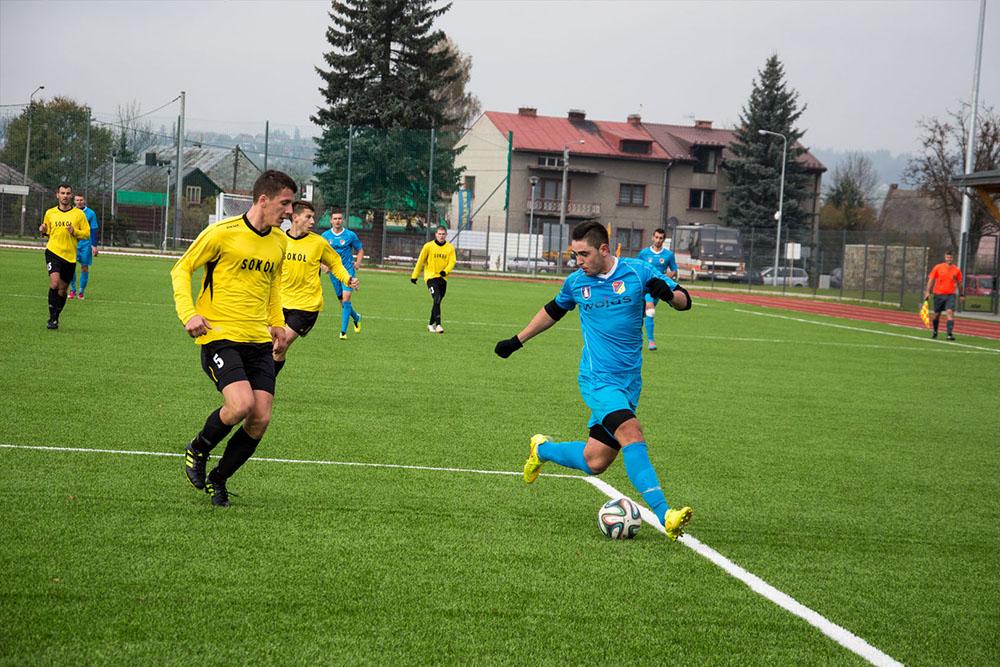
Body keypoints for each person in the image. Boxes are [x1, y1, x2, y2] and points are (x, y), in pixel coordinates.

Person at [494, 220, 694, 540]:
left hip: (629, 382)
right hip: (597, 379)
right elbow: (552, 311)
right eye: (574, 255)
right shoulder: (576, 283)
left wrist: (668, 295)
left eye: (583, 254)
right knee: (631, 431)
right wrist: (517, 341)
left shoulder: (638, 271)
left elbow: (685, 301)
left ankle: (542, 450)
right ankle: (665, 514)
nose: (578, 261)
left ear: (603, 249)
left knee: (595, 461)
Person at [170, 170, 297, 507]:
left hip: (258, 341)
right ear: (263, 200)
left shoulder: (279, 242)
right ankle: (198, 448)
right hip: (219, 336)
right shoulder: (221, 234)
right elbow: (181, 269)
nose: (289, 211)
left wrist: (277, 324)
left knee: (260, 418)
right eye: (285, 203)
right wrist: (189, 314)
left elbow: (273, 287)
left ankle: (219, 479)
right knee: (240, 405)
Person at [276, 201, 358, 372]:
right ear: (295, 217)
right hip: (278, 304)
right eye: (308, 217)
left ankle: (262, 389)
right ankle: (263, 387)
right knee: (273, 350)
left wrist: (347, 279)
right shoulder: (278, 239)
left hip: (306, 306)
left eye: (313, 217)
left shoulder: (318, 243)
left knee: (278, 345)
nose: (313, 221)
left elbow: (335, 263)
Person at [39, 183, 90, 329]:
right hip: (53, 252)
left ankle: (56, 317)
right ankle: (52, 319)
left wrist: (75, 232)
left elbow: (86, 234)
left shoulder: (79, 215)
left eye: (68, 193)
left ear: (71, 196)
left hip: (69, 256)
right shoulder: (50, 213)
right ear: (57, 195)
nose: (65, 196)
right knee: (54, 283)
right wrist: (42, 230)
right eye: (62, 193)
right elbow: (47, 232)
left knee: (62, 290)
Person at [321, 209, 364, 340]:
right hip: (334, 273)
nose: (337, 221)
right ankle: (356, 317)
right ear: (331, 220)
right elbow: (319, 254)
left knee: (346, 300)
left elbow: (360, 249)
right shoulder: (325, 236)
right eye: (335, 219)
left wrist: (357, 262)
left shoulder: (350, 235)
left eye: (340, 218)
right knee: (342, 302)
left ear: (343, 220)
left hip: (348, 272)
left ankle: (343, 332)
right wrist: (323, 265)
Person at [636, 228, 678, 351]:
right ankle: (651, 342)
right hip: (646, 286)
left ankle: (645, 339)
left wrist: (665, 278)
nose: (658, 240)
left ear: (663, 240)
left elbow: (674, 269)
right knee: (649, 310)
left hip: (658, 288)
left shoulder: (668, 255)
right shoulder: (644, 253)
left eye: (661, 238)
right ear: (652, 237)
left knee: (643, 314)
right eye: (656, 237)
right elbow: (637, 267)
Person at [411, 225, 456, 333]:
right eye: (439, 234)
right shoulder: (428, 246)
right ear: (435, 234)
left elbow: (452, 262)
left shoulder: (450, 248)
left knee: (437, 301)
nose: (441, 236)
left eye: (443, 234)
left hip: (443, 279)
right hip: (430, 277)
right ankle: (439, 325)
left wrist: (445, 271)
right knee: (436, 298)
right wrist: (414, 276)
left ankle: (430, 324)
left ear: (446, 235)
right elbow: (420, 261)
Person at [923, 250, 964, 341]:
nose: (949, 259)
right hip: (938, 294)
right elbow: (931, 280)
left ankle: (949, 334)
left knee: (949, 312)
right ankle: (935, 331)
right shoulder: (938, 267)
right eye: (947, 257)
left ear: (953, 258)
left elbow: (960, 283)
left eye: (950, 257)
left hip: (950, 295)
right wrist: (927, 291)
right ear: (945, 258)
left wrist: (961, 294)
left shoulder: (956, 270)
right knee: (936, 315)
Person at [68, 194, 100, 300]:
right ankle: (72, 290)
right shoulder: (70, 212)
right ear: (74, 201)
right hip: (72, 243)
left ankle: (81, 291)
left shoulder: (91, 213)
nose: (79, 202)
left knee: (84, 267)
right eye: (77, 200)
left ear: (84, 200)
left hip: (85, 244)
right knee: (70, 267)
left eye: (81, 200)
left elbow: (94, 229)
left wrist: (94, 245)